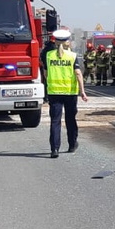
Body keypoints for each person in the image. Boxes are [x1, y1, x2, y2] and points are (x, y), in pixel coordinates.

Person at [41, 28, 88, 157]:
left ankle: (54, 149)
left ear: (55, 42)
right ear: (67, 42)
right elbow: (78, 74)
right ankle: (72, 145)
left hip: (54, 93)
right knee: (70, 119)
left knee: (55, 121)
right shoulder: (72, 56)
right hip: (70, 93)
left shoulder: (48, 55)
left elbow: (45, 73)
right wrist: (82, 91)